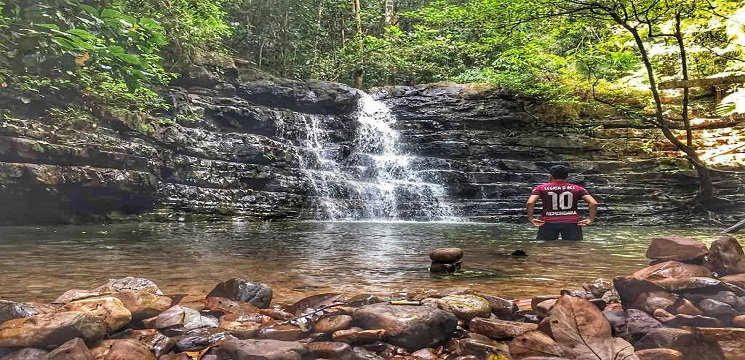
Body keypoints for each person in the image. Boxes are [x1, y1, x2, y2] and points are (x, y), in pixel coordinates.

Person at [526, 165, 598, 240]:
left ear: (550, 176)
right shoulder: (578, 188)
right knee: (575, 247)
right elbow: (593, 203)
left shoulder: (540, 188)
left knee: (545, 246)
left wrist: (530, 218)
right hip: (572, 222)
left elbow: (530, 203)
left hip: (548, 222)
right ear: (567, 176)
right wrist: (590, 219)